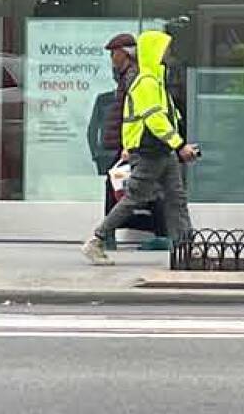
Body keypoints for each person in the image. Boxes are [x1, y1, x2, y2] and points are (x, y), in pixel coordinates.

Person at [84, 27, 195, 262]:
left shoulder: (155, 79)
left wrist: (177, 144)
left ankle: (185, 248)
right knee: (135, 198)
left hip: (160, 149)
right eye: (165, 50)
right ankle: (97, 239)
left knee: (176, 199)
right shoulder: (146, 82)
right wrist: (179, 144)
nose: (169, 55)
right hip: (149, 151)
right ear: (154, 52)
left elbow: (169, 115)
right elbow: (154, 118)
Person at [87, 33, 162, 247]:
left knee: (140, 189)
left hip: (131, 145)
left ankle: (107, 235)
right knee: (126, 188)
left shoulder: (134, 76)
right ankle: (111, 235)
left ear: (125, 53)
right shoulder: (125, 76)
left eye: (114, 53)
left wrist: (128, 145)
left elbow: (136, 113)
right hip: (124, 144)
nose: (112, 58)